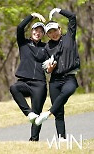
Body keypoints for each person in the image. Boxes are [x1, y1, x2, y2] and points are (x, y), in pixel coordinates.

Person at [35, 8, 80, 140]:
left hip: (69, 77)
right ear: (47, 35)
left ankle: (48, 113)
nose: (53, 33)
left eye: (55, 30)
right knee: (59, 112)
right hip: (55, 80)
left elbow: (72, 17)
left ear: (59, 29)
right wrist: (49, 68)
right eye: (50, 32)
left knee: (67, 91)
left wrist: (58, 10)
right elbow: (47, 69)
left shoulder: (69, 37)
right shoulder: (47, 47)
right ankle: (62, 138)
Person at [10, 12, 48, 141]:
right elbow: (20, 27)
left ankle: (34, 139)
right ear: (31, 31)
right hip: (24, 82)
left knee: (38, 114)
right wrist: (32, 15)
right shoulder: (23, 43)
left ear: (43, 34)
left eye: (41, 31)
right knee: (14, 88)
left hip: (40, 84)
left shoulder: (45, 47)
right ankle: (28, 113)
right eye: (36, 30)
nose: (38, 33)